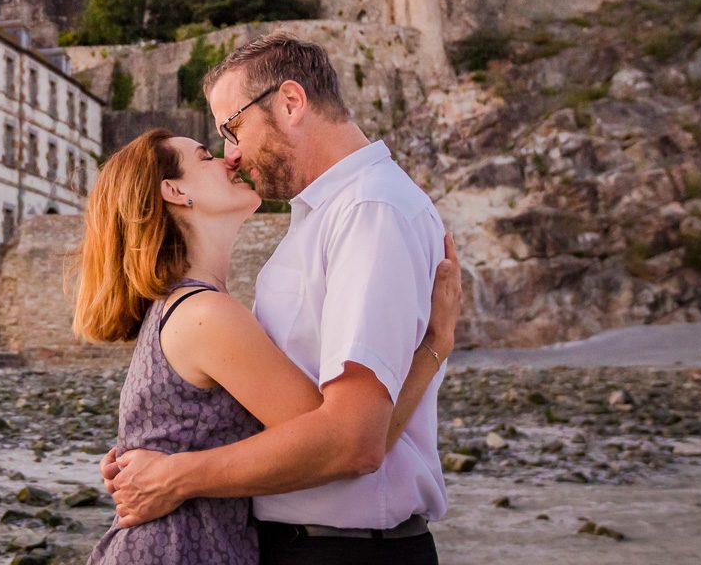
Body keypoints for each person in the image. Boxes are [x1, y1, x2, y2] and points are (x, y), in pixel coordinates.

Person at [103, 32, 455, 564]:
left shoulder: (368, 211)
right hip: (294, 545)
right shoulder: (319, 218)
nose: (231, 152)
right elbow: (300, 422)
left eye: (232, 127)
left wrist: (176, 473)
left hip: (344, 550)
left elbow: (353, 440)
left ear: (291, 102)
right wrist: (162, 449)